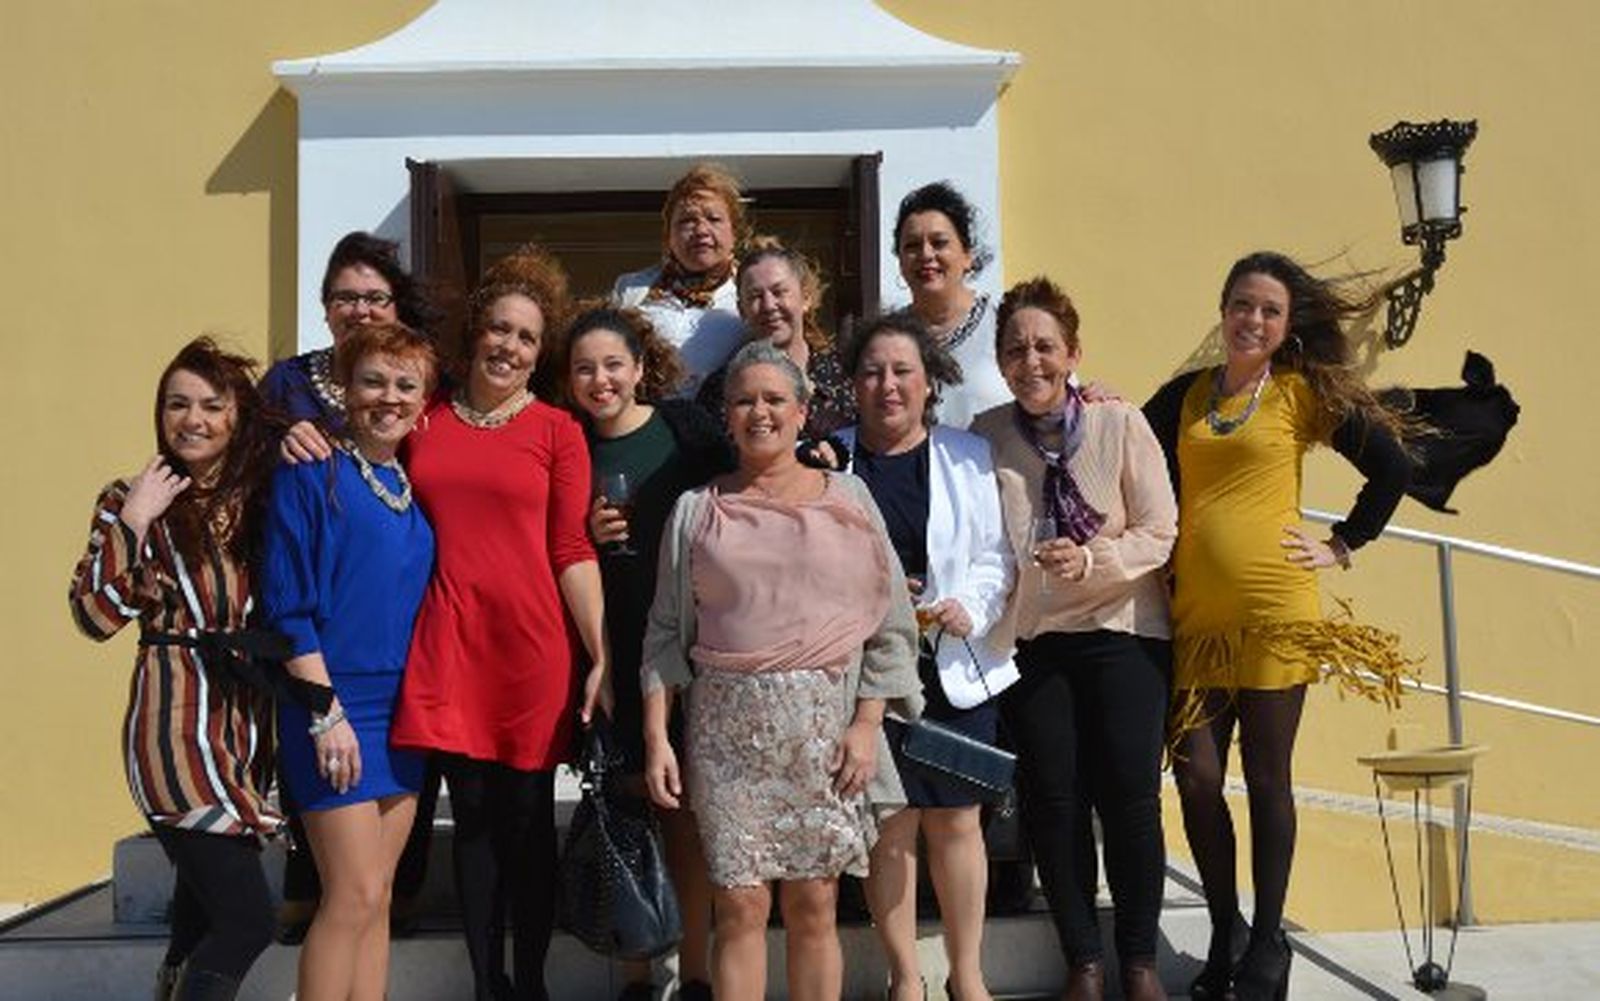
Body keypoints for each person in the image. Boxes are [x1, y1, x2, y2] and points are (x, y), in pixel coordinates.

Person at [1142, 252, 1414, 1001]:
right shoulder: (1186, 397)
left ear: (1286, 325)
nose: (1252, 319)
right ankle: (1225, 927)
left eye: (1268, 309)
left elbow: (1390, 468)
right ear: (1222, 308)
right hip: (1196, 618)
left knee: (1267, 778)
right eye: (1241, 304)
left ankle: (1267, 944)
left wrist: (1341, 543)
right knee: (1197, 778)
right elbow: (1125, 447)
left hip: (1276, 616)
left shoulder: (1299, 394)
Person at [640, 342, 921, 1001]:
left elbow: (890, 622)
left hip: (824, 734)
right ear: (727, 416)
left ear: (802, 412)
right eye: (744, 400)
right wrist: (658, 735)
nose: (759, 412)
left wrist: (866, 722)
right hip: (724, 735)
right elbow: (662, 632)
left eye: (773, 399)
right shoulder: (694, 509)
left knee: (814, 903)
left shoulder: (849, 497)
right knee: (738, 904)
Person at [390, 245, 611, 1001]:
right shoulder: (422, 421)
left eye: (525, 336)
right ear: (474, 331)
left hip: (531, 651)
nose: (510, 346)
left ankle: (535, 983)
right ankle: (490, 984)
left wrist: (601, 652)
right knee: (475, 824)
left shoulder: (558, 430)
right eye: (499, 329)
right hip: (448, 646)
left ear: (538, 350)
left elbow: (572, 547)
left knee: (525, 826)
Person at [972, 277, 1178, 1001]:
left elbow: (1160, 530)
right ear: (1001, 362)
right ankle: (1084, 961)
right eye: (1015, 349)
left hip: (1125, 629)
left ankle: (1140, 960)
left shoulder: (1119, 422)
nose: (1031, 361)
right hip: (1038, 638)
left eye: (1044, 346)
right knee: (1051, 800)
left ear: (1073, 353)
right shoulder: (987, 435)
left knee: (1129, 797)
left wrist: (1094, 559)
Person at [69, 338, 283, 1001]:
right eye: (177, 403)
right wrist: (134, 519)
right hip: (174, 730)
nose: (192, 418)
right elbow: (94, 614)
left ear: (237, 415)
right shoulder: (130, 498)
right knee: (247, 919)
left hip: (243, 728)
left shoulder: (259, 498)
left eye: (211, 405)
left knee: (201, 912)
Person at [258, 230, 441, 941]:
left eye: (375, 296)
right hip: (332, 694)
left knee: (375, 900)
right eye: (345, 296)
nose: (389, 397)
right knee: (353, 894)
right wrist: (323, 708)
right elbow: (290, 599)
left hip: (405, 706)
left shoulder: (408, 479)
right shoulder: (304, 452)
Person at [831, 312, 1016, 1001]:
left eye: (903, 370)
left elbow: (997, 556)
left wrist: (970, 600)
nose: (888, 384)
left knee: (958, 817)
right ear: (853, 383)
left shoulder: (969, 454)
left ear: (928, 382)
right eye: (873, 370)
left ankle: (967, 974)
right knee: (891, 821)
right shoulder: (830, 457)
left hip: (952, 662)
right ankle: (905, 975)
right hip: (865, 673)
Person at [560, 304, 732, 1001]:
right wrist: (587, 534)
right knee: (627, 808)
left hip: (694, 642)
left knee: (685, 812)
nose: (599, 379)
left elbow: (741, 493)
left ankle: (694, 972)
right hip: (609, 644)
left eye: (611, 364)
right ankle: (636, 970)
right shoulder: (567, 442)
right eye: (583, 368)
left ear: (638, 366)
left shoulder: (683, 428)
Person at [695, 237, 856, 439]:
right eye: (755, 296)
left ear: (806, 298)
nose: (769, 306)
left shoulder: (848, 374)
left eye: (779, 292)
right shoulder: (721, 389)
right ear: (741, 309)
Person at [612, 163, 749, 396]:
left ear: (734, 232)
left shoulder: (751, 293)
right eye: (687, 221)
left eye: (713, 219)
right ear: (668, 236)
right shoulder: (631, 290)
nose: (701, 230)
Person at [892, 182, 1011, 429]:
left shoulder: (1006, 325)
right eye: (912, 246)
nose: (925, 254)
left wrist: (1094, 399)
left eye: (939, 243)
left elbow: (1056, 397)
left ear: (967, 255)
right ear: (901, 262)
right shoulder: (889, 337)